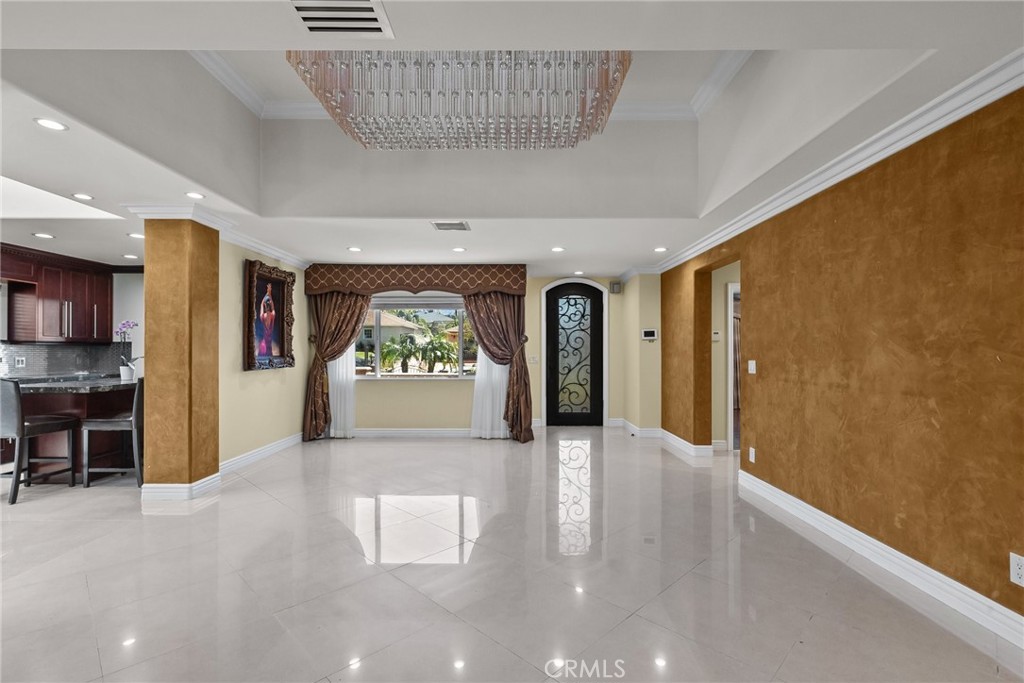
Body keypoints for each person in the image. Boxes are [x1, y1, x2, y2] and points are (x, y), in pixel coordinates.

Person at [258, 283, 276, 356]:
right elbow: (271, 304)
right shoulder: (273, 315)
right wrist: (269, 292)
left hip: (264, 345)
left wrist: (268, 292)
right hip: (268, 344)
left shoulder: (262, 316)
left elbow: (262, 304)